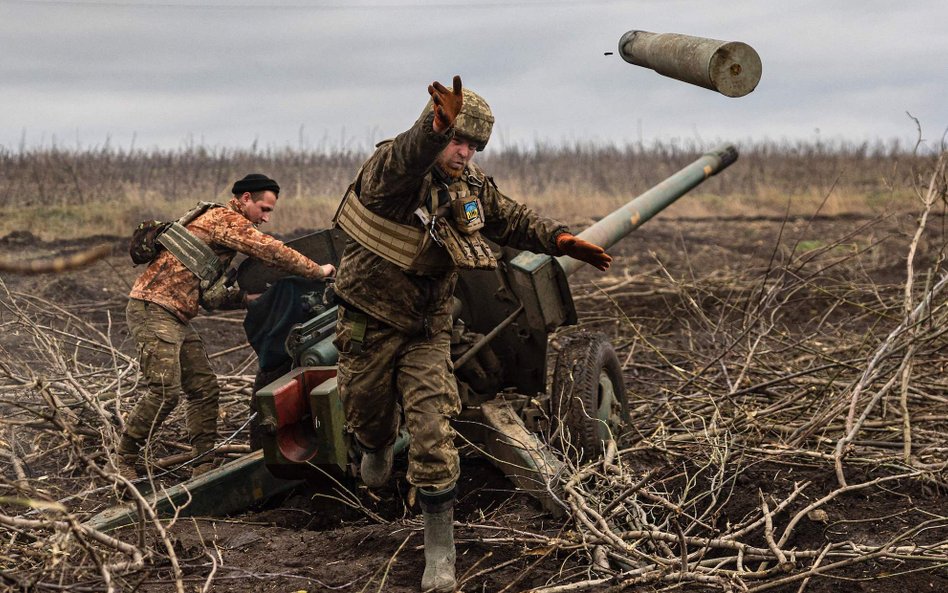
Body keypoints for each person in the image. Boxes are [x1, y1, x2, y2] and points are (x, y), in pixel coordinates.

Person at [332, 76, 611, 592]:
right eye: (458, 141)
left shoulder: (471, 187)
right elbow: (407, 156)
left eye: (473, 145)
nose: (464, 153)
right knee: (368, 416)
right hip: (367, 321)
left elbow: (510, 219)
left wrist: (564, 240)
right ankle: (372, 444)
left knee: (434, 436)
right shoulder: (394, 174)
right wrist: (433, 127)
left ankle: (441, 552)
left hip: (427, 328)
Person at [116, 174, 336, 482]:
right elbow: (270, 250)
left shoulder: (217, 226)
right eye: (264, 208)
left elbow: (209, 296)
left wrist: (246, 298)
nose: (266, 218)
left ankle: (203, 466)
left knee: (204, 389)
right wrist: (317, 270)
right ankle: (123, 459)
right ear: (245, 199)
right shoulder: (225, 219)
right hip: (153, 309)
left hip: (175, 315)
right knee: (165, 391)